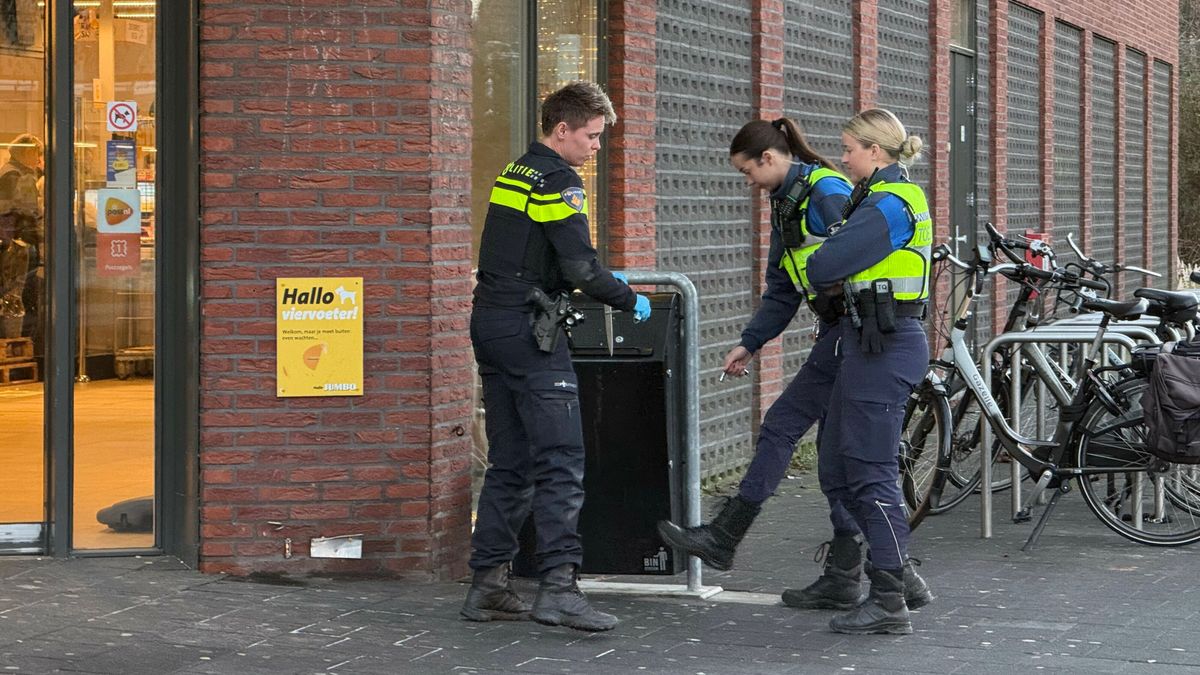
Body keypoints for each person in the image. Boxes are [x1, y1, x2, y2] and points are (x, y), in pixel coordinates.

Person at [460, 81, 651, 633]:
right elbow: (581, 270)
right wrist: (629, 299)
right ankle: (559, 589)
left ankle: (488, 586)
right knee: (561, 462)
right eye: (591, 137)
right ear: (561, 129)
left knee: (511, 463)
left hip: (491, 326)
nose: (596, 148)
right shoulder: (557, 181)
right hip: (529, 333)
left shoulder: (515, 171)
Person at [655, 117, 857, 586]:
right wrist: (750, 343)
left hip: (852, 332)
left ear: (769, 158)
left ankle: (726, 535)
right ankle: (849, 576)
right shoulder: (785, 201)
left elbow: (858, 259)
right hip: (838, 331)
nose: (747, 182)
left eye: (747, 172)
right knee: (833, 456)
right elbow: (783, 288)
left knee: (784, 427)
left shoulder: (825, 194)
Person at [800, 108, 934, 635]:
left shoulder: (889, 204)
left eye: (850, 148)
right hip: (866, 343)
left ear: (874, 152)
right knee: (837, 467)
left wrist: (831, 265)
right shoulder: (875, 200)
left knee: (870, 471)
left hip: (887, 345)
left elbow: (824, 267)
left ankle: (889, 599)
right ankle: (901, 577)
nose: (844, 157)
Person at [0, 134, 43, 345]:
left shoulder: (11, 172)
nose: (39, 159)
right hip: (17, 244)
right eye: (37, 153)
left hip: (14, 242)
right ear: (27, 153)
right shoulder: (16, 175)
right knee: (18, 295)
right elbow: (21, 210)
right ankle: (16, 343)